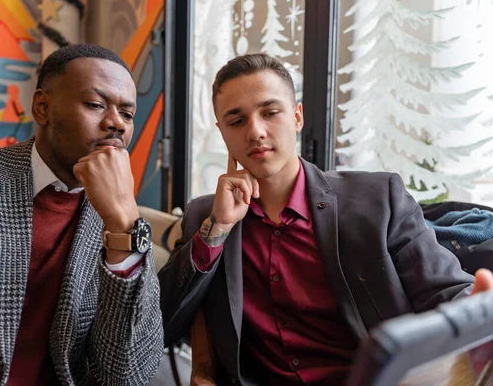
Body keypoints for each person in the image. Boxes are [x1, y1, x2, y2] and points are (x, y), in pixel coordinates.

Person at [158, 53, 493, 385]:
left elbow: (448, 292)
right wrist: (217, 229)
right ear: (222, 132)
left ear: (297, 117)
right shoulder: (207, 216)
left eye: (270, 112)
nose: (255, 131)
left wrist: (473, 312)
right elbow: (159, 326)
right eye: (236, 121)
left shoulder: (378, 199)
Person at [0, 44, 163, 385]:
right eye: (96, 105)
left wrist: (123, 225)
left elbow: (128, 373)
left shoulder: (117, 216)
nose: (116, 124)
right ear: (42, 107)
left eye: (127, 114)